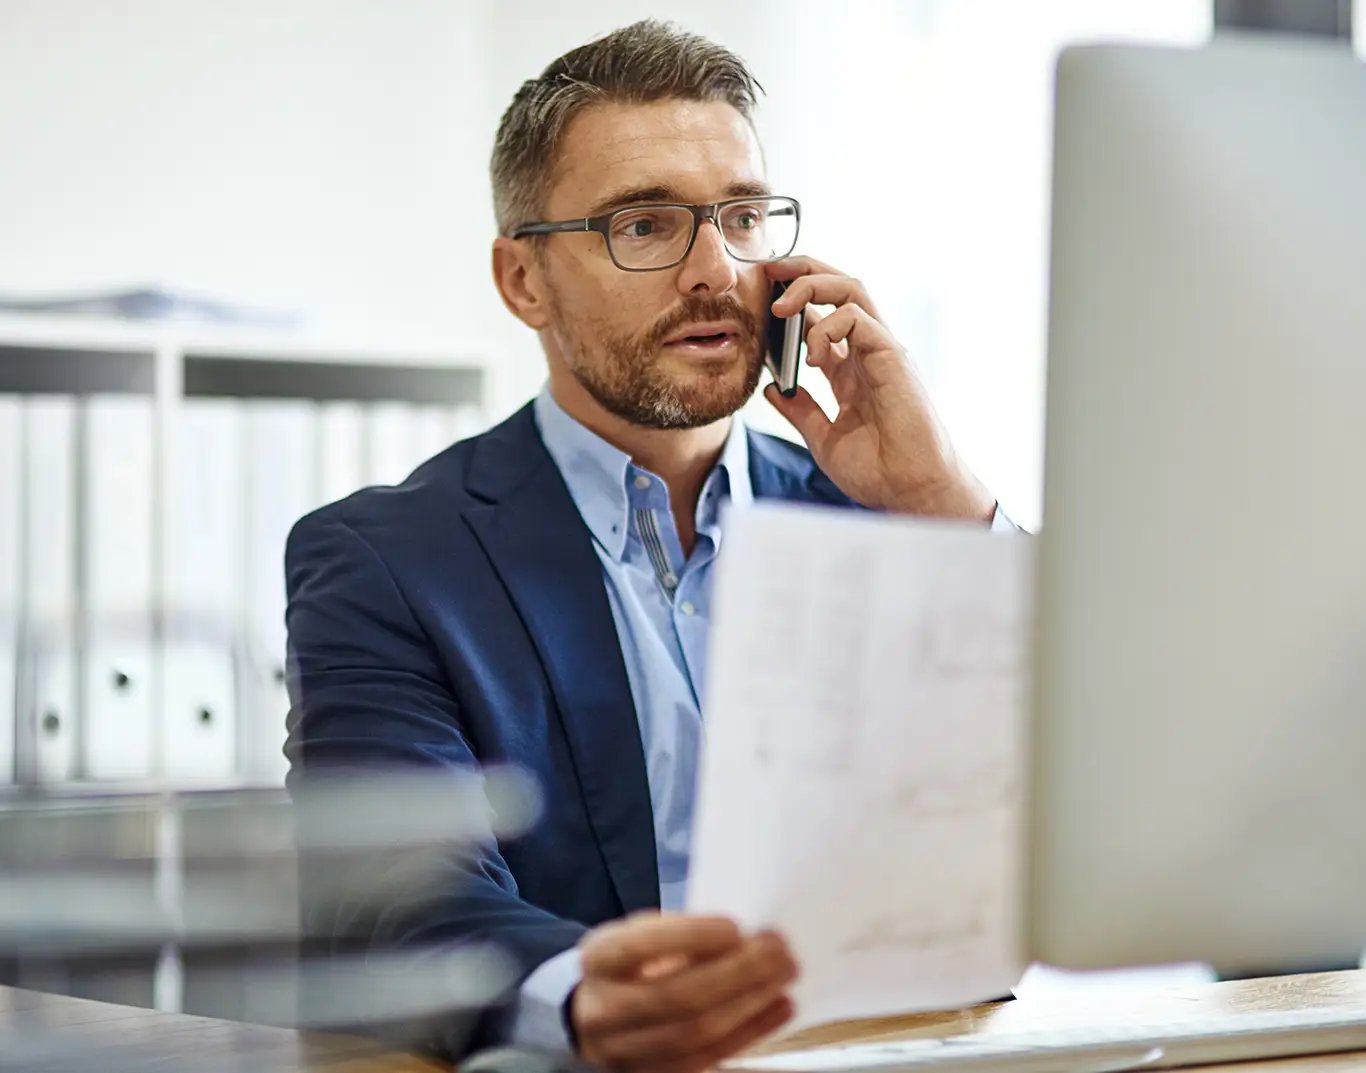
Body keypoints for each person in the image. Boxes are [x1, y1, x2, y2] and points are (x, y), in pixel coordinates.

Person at [285, 19, 1016, 1072]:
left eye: (741, 216)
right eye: (643, 224)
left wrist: (946, 503)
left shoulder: (894, 521)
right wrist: (585, 994)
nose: (716, 270)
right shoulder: (385, 559)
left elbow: (1091, 799)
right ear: (522, 280)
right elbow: (395, 895)